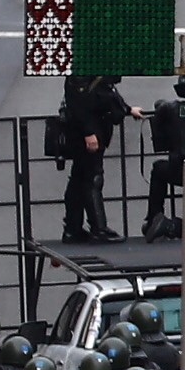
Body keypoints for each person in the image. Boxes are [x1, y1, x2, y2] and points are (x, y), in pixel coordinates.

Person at [51, 73, 130, 243]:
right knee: (92, 178)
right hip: (87, 134)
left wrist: (128, 110)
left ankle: (73, 229)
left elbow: (106, 94)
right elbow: (79, 103)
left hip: (91, 131)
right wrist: (88, 132)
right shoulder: (82, 73)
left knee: (79, 179)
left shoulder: (92, 72)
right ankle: (98, 229)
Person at [140, 73, 185, 241]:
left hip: (181, 170)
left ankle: (154, 218)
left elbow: (159, 109)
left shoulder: (171, 109)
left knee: (158, 169)